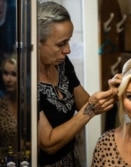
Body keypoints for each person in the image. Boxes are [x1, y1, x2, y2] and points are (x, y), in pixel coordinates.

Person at [37, 1, 121, 166]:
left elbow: (84, 103)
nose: (68, 50)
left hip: (70, 159)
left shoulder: (61, 63)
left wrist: (113, 92)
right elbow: (48, 143)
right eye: (61, 44)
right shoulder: (25, 80)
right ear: (37, 42)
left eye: (68, 41)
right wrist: (89, 109)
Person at [0, 55, 18, 153]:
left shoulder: (30, 105)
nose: (8, 79)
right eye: (5, 73)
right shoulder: (1, 106)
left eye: (14, 74)